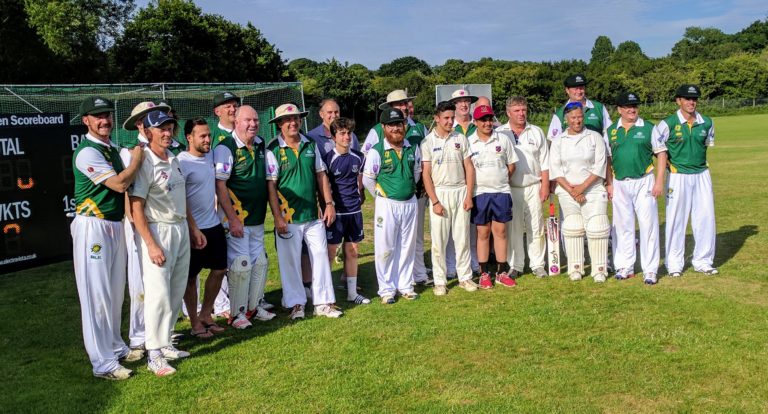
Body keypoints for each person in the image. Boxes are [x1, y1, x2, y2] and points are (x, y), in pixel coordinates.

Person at [72, 96, 144, 380]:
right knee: (97, 295)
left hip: (114, 224)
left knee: (115, 293)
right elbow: (119, 183)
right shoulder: (86, 152)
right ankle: (102, 363)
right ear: (86, 120)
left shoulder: (111, 147)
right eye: (97, 116)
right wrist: (136, 160)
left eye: (107, 114)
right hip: (93, 228)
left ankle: (115, 346)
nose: (105, 120)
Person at [129, 110, 191, 377]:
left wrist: (192, 229)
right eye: (160, 129)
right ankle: (153, 352)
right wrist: (151, 244)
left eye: (169, 128)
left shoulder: (174, 158)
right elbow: (136, 208)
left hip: (181, 228)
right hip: (159, 231)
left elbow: (181, 197)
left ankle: (165, 342)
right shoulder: (145, 162)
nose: (167, 133)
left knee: (176, 290)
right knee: (159, 295)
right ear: (148, 132)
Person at [266, 103, 343, 319]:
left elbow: (321, 175)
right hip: (288, 217)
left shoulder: (310, 144)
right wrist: (277, 217)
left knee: (320, 256)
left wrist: (328, 204)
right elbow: (271, 185)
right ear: (279, 124)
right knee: (289, 262)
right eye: (288, 120)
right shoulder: (273, 149)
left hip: (313, 214)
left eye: (296, 119)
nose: (293, 123)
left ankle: (324, 303)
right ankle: (296, 304)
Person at [213, 105, 276, 329]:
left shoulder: (260, 144)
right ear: (237, 122)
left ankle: (255, 306)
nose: (253, 124)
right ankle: (237, 313)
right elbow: (220, 185)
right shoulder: (225, 148)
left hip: (258, 218)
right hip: (236, 220)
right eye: (248, 120)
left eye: (256, 120)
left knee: (260, 263)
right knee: (241, 265)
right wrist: (232, 219)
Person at [363, 90, 432, 286]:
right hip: (389, 196)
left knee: (414, 239)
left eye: (405, 103)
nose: (403, 107)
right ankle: (388, 285)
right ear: (390, 108)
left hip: (414, 193)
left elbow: (420, 166)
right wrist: (380, 193)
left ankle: (415, 276)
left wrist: (416, 185)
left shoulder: (418, 127)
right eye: (398, 104)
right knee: (389, 243)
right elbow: (367, 166)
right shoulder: (377, 130)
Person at [119, 100, 170, 360]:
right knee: (139, 282)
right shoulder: (131, 152)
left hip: (163, 223)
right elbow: (129, 193)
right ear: (140, 124)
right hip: (139, 225)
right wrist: (137, 227)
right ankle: (139, 336)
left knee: (161, 282)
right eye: (148, 117)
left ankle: (162, 334)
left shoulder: (164, 147)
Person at [653, 84, 717, 277]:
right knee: (676, 220)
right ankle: (674, 265)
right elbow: (658, 150)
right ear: (678, 101)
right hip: (678, 176)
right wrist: (666, 170)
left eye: (694, 99)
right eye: (687, 99)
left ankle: (703, 261)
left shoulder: (707, 122)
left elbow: (706, 145)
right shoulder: (667, 124)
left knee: (705, 218)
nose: (691, 102)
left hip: (701, 175)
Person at [606, 92, 667, 285]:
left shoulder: (649, 127)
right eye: (627, 107)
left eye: (634, 106)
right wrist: (608, 183)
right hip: (619, 182)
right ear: (619, 110)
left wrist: (659, 182)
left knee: (648, 226)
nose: (632, 110)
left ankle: (650, 270)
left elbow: (662, 154)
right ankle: (625, 265)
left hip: (644, 181)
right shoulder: (610, 131)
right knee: (622, 226)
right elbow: (607, 160)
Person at [420, 101, 478, 295]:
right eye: (446, 118)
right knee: (439, 241)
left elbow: (469, 167)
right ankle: (440, 281)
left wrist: (469, 195)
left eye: (452, 118)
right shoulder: (427, 142)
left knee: (462, 238)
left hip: (460, 190)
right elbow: (426, 174)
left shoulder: (460, 138)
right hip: (440, 193)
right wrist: (435, 201)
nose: (450, 121)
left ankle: (465, 277)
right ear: (436, 118)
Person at [178, 118, 229, 337]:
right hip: (193, 229)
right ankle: (194, 322)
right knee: (191, 278)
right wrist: (192, 228)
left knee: (219, 269)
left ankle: (207, 314)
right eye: (203, 136)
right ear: (189, 138)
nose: (208, 139)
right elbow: (180, 198)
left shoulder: (211, 155)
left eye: (209, 135)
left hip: (213, 224)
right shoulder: (181, 161)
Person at [549, 102, 610, 283]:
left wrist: (582, 188)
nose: (577, 121)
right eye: (573, 118)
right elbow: (556, 170)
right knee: (573, 226)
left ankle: (599, 269)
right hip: (568, 190)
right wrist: (573, 190)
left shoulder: (595, 137)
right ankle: (575, 268)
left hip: (593, 189)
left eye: (580, 117)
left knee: (597, 226)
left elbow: (600, 165)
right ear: (566, 119)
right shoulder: (559, 140)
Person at [495, 96, 550, 278]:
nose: (521, 114)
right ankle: (516, 265)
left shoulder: (536, 132)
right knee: (514, 228)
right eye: (517, 110)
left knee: (536, 227)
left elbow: (545, 162)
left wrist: (545, 186)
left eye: (524, 110)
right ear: (508, 112)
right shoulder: (500, 133)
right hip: (510, 187)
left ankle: (537, 265)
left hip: (533, 185)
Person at [467, 105, 518, 288]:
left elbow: (512, 165)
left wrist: (501, 180)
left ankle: (501, 272)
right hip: (479, 193)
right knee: (483, 232)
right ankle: (483, 273)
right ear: (475, 122)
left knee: (501, 231)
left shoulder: (502, 139)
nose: (487, 123)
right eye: (483, 120)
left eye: (489, 119)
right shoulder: (469, 142)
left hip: (501, 192)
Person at [322, 117, 370, 304]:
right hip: (336, 213)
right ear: (334, 136)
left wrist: (361, 196)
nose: (346, 136)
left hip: (354, 212)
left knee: (352, 251)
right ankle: (326, 293)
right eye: (342, 133)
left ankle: (352, 293)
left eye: (349, 133)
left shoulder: (359, 157)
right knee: (330, 253)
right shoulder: (328, 159)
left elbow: (359, 183)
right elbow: (323, 186)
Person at [546, 74, 612, 140]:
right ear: (567, 90)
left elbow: (609, 132)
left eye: (581, 88)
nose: (579, 91)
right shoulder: (560, 113)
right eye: (575, 88)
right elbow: (554, 140)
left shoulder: (599, 108)